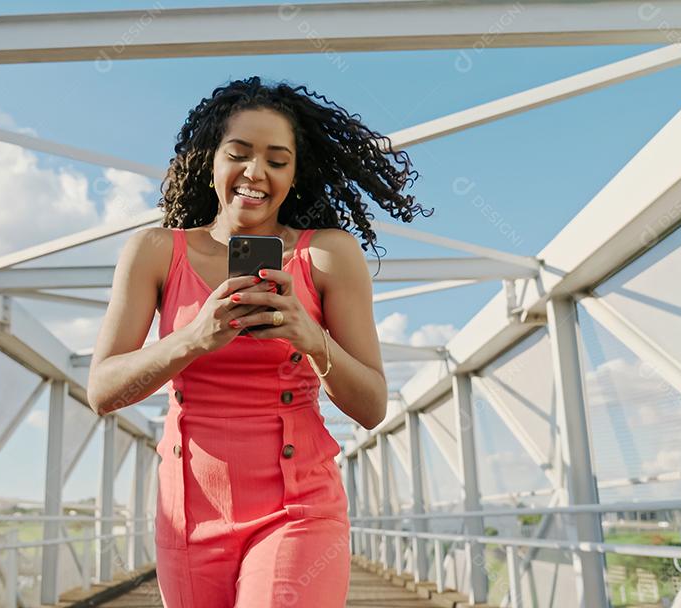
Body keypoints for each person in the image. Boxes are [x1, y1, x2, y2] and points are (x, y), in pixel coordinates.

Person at [87, 76, 430, 607]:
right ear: (209, 160)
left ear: (295, 174)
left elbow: (371, 407)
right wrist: (194, 338)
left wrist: (312, 339)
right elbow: (102, 391)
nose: (255, 172)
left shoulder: (328, 254)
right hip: (187, 514)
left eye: (277, 160)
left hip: (298, 509)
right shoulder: (154, 251)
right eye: (239, 153)